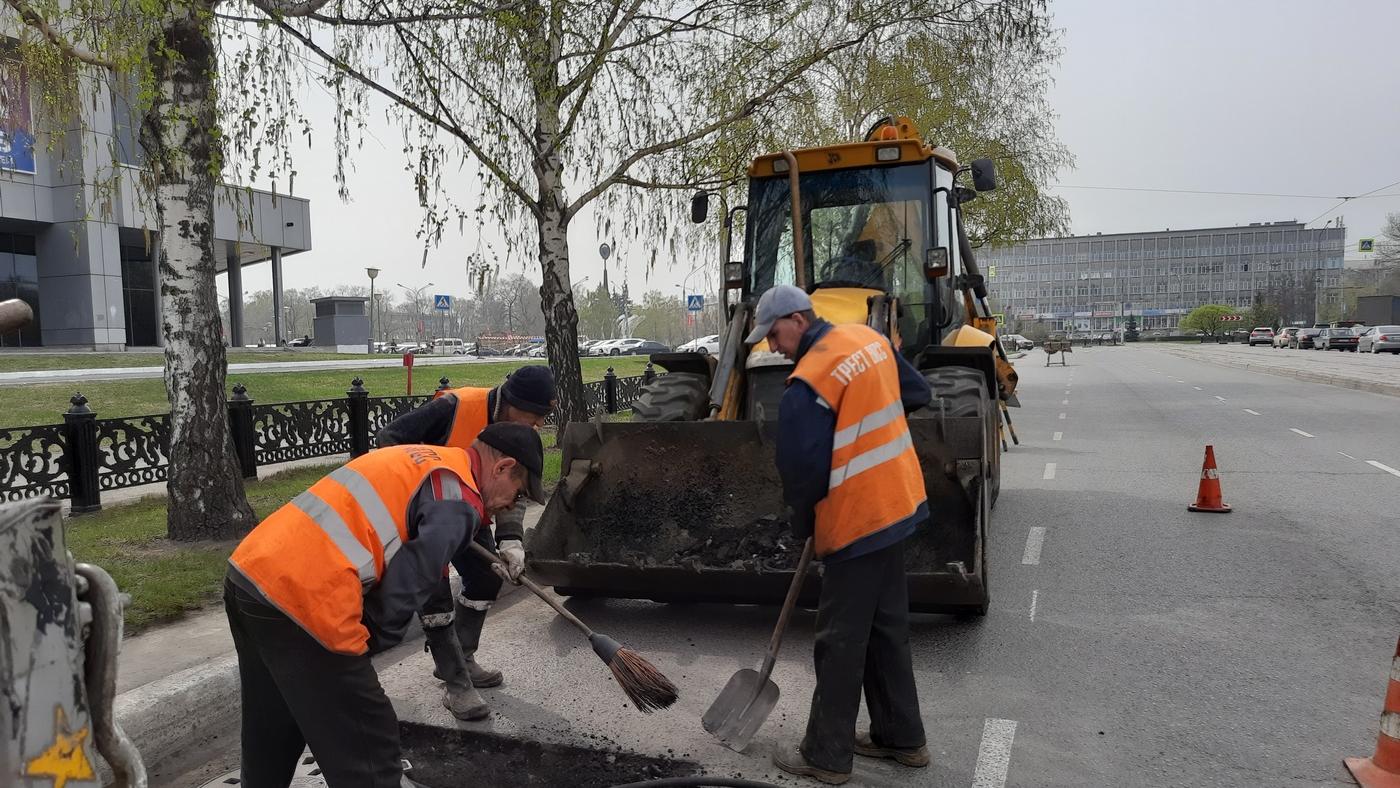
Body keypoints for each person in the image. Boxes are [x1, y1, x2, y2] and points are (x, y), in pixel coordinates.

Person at [224, 423, 547, 787]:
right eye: (516, 493)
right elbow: (413, 579)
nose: (509, 504)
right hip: (305, 600)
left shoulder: (431, 459)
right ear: (502, 467)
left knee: (273, 720)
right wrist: (368, 643)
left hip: (249, 574)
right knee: (370, 742)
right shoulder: (459, 499)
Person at [750, 285, 933, 785]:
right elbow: (917, 393)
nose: (771, 347)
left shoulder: (808, 382)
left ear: (797, 320)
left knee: (839, 639)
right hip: (900, 501)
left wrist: (804, 524)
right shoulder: (868, 340)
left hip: (858, 520)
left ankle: (826, 756)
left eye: (773, 335)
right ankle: (903, 738)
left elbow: (802, 470)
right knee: (886, 626)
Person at [377, 365, 555, 720]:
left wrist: (510, 539)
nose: (534, 426)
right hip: (426, 517)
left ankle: (462, 659)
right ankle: (457, 686)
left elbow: (512, 484)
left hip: (471, 510)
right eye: (533, 417)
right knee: (436, 598)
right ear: (512, 402)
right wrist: (421, 486)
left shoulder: (516, 433)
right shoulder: (454, 408)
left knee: (488, 576)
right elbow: (389, 438)